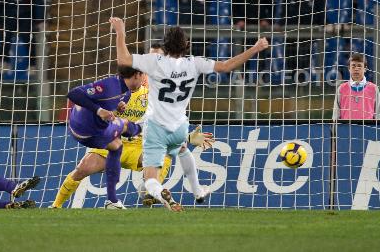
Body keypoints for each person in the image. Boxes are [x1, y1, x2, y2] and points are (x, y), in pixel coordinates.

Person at [110, 17, 268, 211]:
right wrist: (255, 48)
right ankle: (198, 191)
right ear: (187, 45)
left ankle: (161, 193)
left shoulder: (154, 62)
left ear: (165, 46)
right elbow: (227, 66)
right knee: (183, 150)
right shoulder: (195, 63)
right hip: (179, 127)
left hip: (156, 128)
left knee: (150, 181)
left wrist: (120, 32)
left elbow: (123, 60)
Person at [51, 43, 214, 209]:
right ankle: (55, 206)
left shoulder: (159, 95)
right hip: (112, 140)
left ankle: (151, 190)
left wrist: (186, 137)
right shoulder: (116, 88)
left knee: (165, 151)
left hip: (139, 145)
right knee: (82, 169)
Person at [66, 66, 145, 209]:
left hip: (88, 130)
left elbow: (109, 107)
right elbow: (73, 93)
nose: (144, 80)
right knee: (126, 125)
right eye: (143, 75)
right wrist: (99, 110)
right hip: (88, 131)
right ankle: (143, 129)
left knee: (116, 145)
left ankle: (112, 201)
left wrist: (116, 109)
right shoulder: (110, 85)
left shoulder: (126, 93)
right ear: (136, 75)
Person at [279, 0, 326, 82]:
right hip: (291, 27)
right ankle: (290, 84)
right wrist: (282, 21)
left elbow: (321, 5)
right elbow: (284, 5)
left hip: (308, 27)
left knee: (305, 57)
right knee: (290, 57)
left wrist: (322, 22)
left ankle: (302, 84)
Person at [332, 53, 380, 120]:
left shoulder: (373, 88)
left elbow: (379, 115)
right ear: (349, 69)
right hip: (346, 129)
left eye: (359, 66)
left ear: (365, 69)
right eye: (353, 66)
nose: (356, 69)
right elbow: (335, 116)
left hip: (368, 129)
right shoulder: (341, 89)